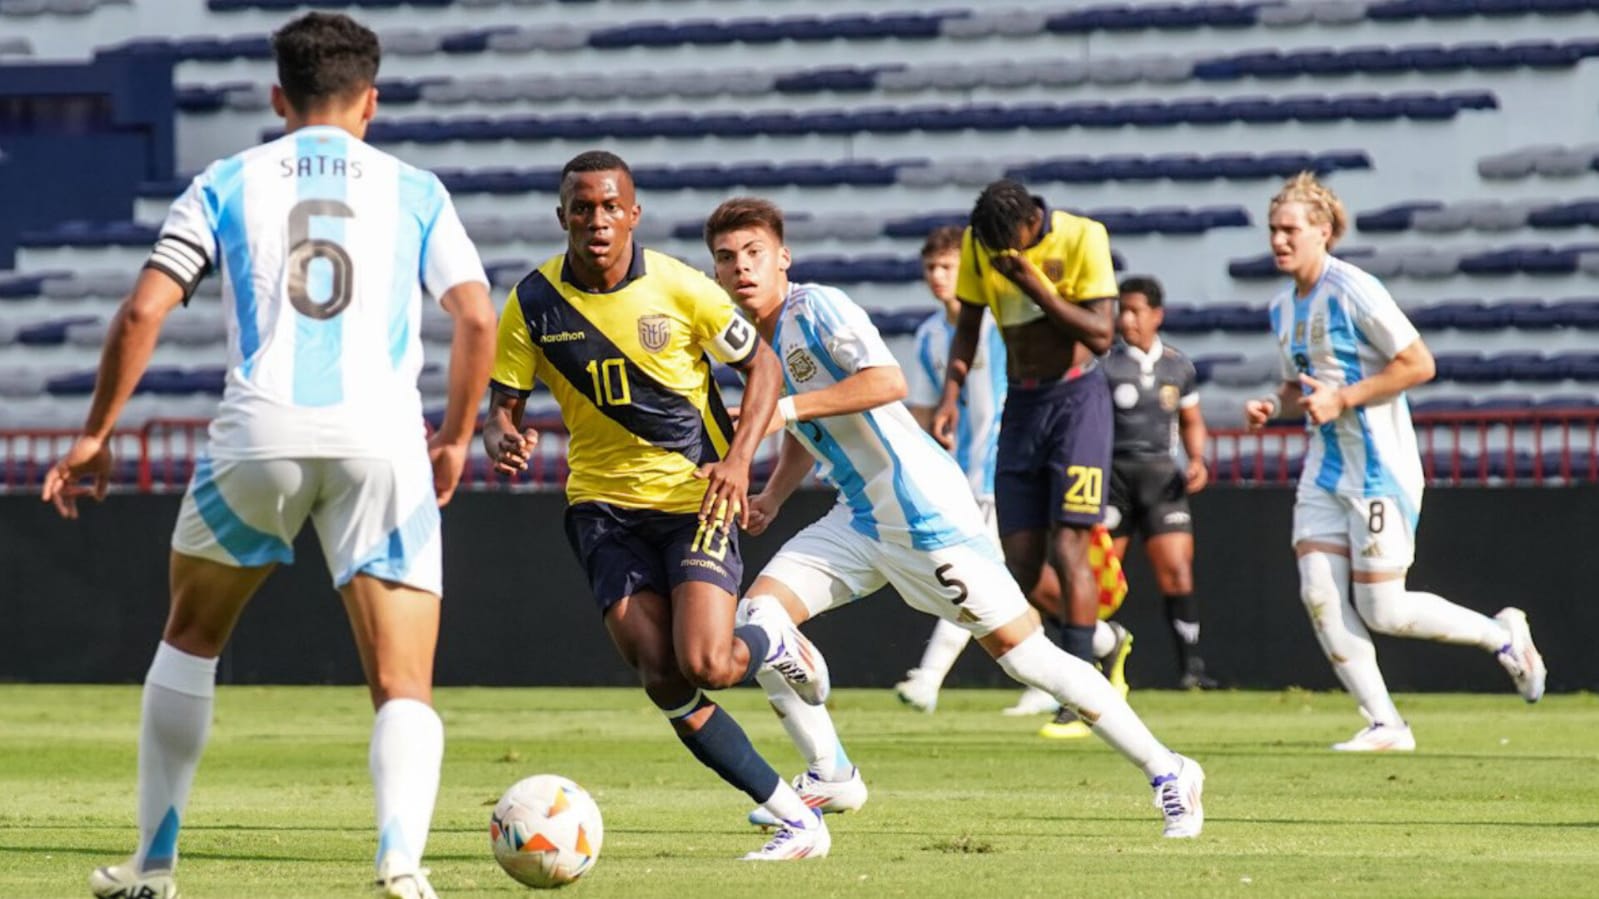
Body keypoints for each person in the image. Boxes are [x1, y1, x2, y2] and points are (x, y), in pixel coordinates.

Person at [40, 13, 496, 899]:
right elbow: (476, 315)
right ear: (372, 99)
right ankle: (401, 867)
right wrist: (454, 437)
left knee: (190, 637)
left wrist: (94, 436)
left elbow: (141, 312)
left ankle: (154, 864)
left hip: (257, 434)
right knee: (402, 679)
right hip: (382, 440)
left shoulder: (224, 181)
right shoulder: (415, 188)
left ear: (277, 96)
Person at [703, 196, 1204, 840]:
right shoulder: (754, 340)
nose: (742, 267)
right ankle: (831, 774)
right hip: (858, 515)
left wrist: (789, 411)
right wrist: (773, 494)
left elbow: (884, 383)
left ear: (782, 259)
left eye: (755, 254)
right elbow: (808, 421)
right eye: (727, 257)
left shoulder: (816, 307)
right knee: (758, 618)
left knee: (1027, 658)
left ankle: (1170, 770)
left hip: (922, 512)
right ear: (715, 271)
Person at [481, 151, 833, 861]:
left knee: (709, 660)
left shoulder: (681, 287)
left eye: (611, 206)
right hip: (601, 511)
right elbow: (503, 402)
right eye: (582, 208)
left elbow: (760, 365)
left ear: (633, 214)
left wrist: (737, 461)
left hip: (692, 499)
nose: (597, 220)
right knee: (662, 676)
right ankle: (795, 816)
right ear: (563, 218)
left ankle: (770, 638)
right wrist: (501, 432)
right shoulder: (531, 302)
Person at [1244, 172, 1547, 751]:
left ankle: (1502, 636)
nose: (1278, 240)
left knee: (1383, 609)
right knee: (1318, 593)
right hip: (1325, 468)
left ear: (1323, 232)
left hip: (1381, 467)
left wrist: (1345, 399)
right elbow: (1299, 385)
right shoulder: (1283, 307)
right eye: (1273, 230)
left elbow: (1418, 364)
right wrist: (1272, 405)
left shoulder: (1354, 288)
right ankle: (1385, 723)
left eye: (1290, 230)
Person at [890, 227, 1127, 719]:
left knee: (976, 570)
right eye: (931, 268)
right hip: (960, 474)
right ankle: (1100, 640)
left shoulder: (1001, 325)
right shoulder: (932, 335)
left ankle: (929, 678)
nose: (938, 277)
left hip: (1008, 463)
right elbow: (926, 407)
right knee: (1017, 578)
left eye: (948, 267)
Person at [1104, 275, 1217, 689]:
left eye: (1135, 310)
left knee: (1176, 571)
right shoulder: (1106, 364)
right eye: (1123, 309)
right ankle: (1097, 658)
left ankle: (1191, 668)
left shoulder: (1178, 365)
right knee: (1104, 577)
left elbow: (1191, 420)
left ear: (1156, 315)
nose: (1126, 318)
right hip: (1113, 479)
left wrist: (1198, 459)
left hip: (1160, 480)